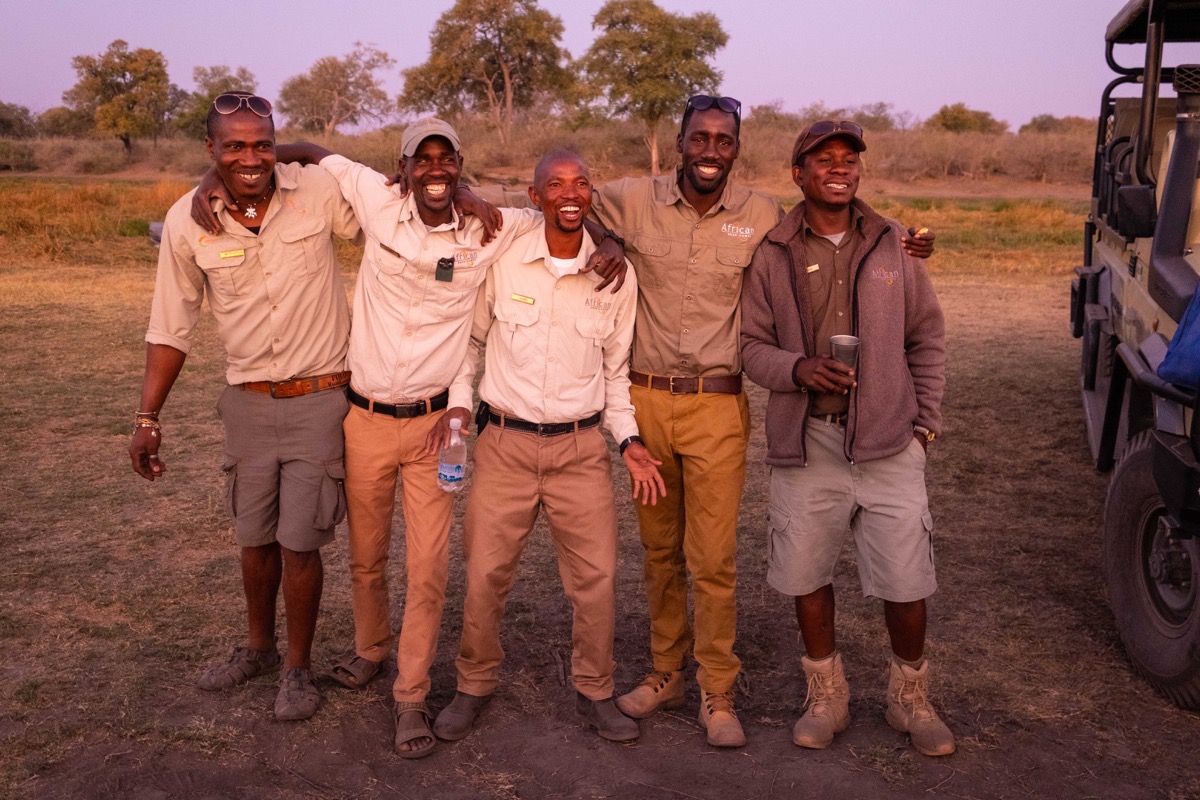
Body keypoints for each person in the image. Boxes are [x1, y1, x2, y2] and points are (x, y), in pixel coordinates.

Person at [190, 118, 625, 757]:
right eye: (422, 160)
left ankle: (411, 694)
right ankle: (370, 649)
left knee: (426, 568)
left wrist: (607, 237)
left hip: (434, 428)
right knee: (366, 558)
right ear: (402, 168)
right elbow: (309, 152)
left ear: (459, 166)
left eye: (446, 159)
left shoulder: (492, 228)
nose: (435, 170)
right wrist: (215, 174)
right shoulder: (373, 197)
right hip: (362, 419)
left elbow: (562, 209)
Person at [586, 97, 936, 748]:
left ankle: (717, 690)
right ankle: (666, 672)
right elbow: (564, 199)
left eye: (724, 140)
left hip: (718, 403)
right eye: (700, 138)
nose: (711, 150)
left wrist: (910, 242)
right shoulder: (631, 199)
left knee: (713, 560)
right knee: (659, 551)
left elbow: (840, 225)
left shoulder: (763, 217)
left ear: (738, 148)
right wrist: (603, 237)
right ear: (681, 141)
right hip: (644, 401)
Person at [130, 92, 360, 721]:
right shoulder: (188, 219)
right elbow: (170, 326)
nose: (250, 156)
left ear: (277, 143)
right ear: (211, 150)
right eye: (233, 146)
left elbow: (376, 203)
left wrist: (304, 153)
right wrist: (147, 417)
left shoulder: (315, 192)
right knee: (253, 538)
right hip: (247, 402)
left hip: (320, 397)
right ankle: (257, 648)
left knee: (300, 541)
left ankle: (297, 667)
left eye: (262, 142)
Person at [431, 150, 665, 745]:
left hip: (581, 450)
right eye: (556, 184)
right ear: (534, 198)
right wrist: (459, 403)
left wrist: (629, 441)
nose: (571, 192)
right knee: (485, 574)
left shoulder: (615, 274)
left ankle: (595, 690)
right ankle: (472, 685)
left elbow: (616, 374)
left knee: (597, 579)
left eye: (582, 183)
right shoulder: (506, 258)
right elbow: (470, 344)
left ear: (592, 196)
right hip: (505, 444)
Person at [740, 120, 954, 757]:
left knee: (907, 579)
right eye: (823, 159)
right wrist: (798, 369)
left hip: (890, 441)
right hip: (807, 441)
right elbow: (750, 349)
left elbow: (928, 336)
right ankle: (826, 693)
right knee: (807, 572)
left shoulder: (896, 244)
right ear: (798, 173)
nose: (839, 168)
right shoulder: (772, 251)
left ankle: (909, 698)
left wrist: (924, 423)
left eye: (849, 160)